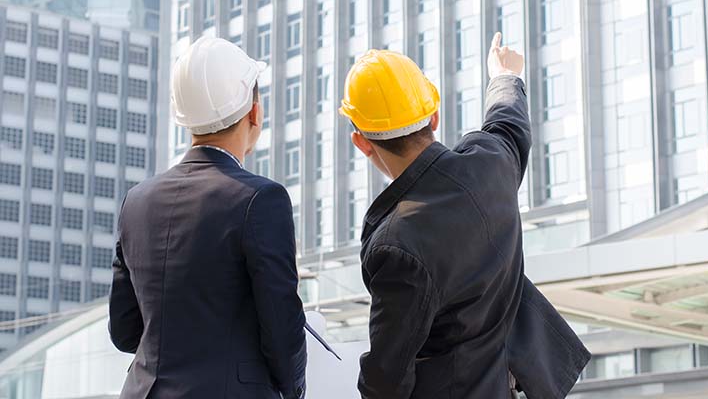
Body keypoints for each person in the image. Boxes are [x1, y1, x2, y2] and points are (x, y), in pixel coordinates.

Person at [339, 32, 589, 399]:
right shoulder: (490, 164)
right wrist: (503, 76)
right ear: (434, 115)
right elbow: (507, 123)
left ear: (361, 141)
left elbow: (387, 377)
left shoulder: (395, 245)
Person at [109, 37, 307, 399]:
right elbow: (282, 330)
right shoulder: (261, 199)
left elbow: (124, 330)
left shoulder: (135, 202)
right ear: (254, 111)